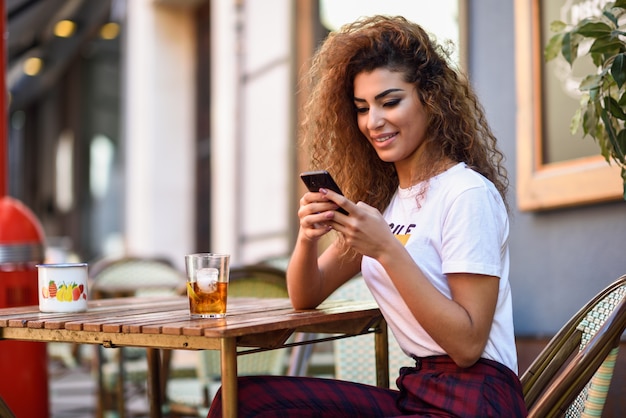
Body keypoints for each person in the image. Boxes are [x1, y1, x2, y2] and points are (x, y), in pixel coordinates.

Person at [208, 15, 527, 418]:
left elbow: (466, 346)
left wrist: (388, 250)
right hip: (418, 390)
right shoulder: (385, 205)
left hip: (475, 399)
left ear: (431, 99)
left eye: (390, 102)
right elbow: (306, 295)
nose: (373, 122)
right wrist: (307, 238)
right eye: (362, 108)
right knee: (245, 400)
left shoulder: (466, 194)